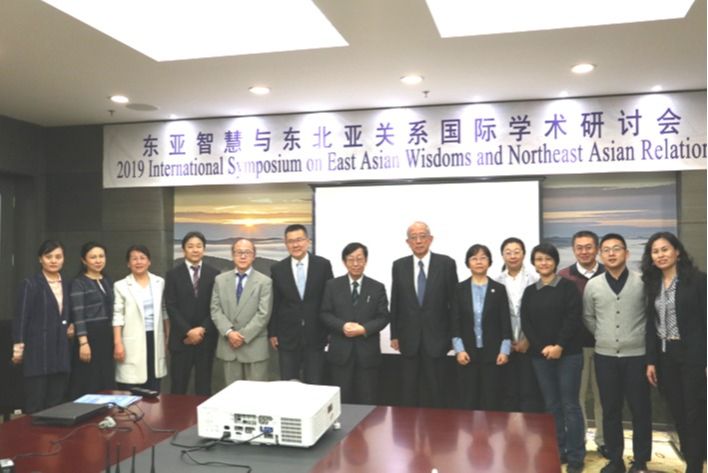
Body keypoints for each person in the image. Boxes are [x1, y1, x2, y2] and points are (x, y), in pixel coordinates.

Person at [583, 233, 651, 473]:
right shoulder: (593, 285)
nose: (611, 253)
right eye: (606, 250)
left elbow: (650, 316)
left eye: (616, 249)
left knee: (640, 410)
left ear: (627, 253)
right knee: (610, 410)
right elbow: (589, 317)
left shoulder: (642, 282)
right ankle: (615, 460)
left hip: (637, 356)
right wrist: (605, 336)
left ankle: (640, 461)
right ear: (600, 254)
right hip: (605, 357)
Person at [642, 232, 706, 473]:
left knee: (694, 412)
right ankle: (691, 457)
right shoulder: (652, 284)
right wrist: (651, 361)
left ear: (677, 252)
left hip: (693, 355)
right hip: (665, 356)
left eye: (665, 249)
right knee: (677, 411)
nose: (660, 255)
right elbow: (651, 325)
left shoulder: (698, 280)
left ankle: (694, 465)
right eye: (655, 251)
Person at [521, 242, 585, 473]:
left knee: (570, 405)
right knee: (551, 406)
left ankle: (576, 455)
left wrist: (558, 346)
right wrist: (543, 348)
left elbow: (573, 319)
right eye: (539, 259)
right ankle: (559, 450)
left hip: (569, 355)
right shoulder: (530, 291)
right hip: (541, 357)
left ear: (555, 262)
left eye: (548, 259)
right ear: (534, 263)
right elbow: (526, 322)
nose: (544, 263)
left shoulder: (568, 287)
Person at [390, 221, 457, 407]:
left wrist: (454, 336)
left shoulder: (446, 264)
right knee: (409, 391)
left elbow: (454, 303)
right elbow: (395, 301)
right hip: (408, 338)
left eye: (422, 236)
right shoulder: (399, 265)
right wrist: (394, 334)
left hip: (438, 338)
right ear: (408, 242)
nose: (418, 241)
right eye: (414, 237)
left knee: (436, 391)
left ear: (430, 239)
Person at [319, 242, 389, 404]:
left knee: (368, 399)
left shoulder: (377, 287)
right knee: (342, 400)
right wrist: (342, 326)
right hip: (340, 353)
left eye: (359, 259)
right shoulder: (332, 285)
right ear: (344, 262)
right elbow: (324, 313)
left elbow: (384, 317)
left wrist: (364, 329)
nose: (355, 263)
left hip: (367, 354)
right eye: (351, 259)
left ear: (366, 261)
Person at [559, 230, 607, 458]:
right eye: (579, 247)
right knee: (575, 398)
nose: (584, 251)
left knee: (603, 396)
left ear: (596, 249)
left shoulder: (609, 272)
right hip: (574, 348)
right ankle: (577, 441)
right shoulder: (564, 276)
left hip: (605, 346)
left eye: (589, 247)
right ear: (573, 249)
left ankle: (604, 441)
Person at [12, 240, 72, 413]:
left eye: (58, 257)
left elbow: (70, 313)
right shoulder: (30, 284)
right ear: (40, 259)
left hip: (60, 351)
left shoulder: (68, 284)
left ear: (63, 259)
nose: (53, 261)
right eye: (49, 256)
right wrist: (18, 347)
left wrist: (72, 325)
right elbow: (21, 317)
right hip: (37, 352)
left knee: (57, 405)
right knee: (35, 405)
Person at [268, 224, 333, 384]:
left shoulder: (323, 265)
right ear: (286, 244)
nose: (295, 245)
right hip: (287, 337)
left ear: (307, 241)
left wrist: (330, 330)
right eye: (291, 241)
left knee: (315, 384)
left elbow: (329, 299)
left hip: (316, 334)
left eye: (299, 240)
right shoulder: (278, 269)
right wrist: (273, 332)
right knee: (289, 384)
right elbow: (275, 302)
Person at [451, 244, 511, 410]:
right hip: (467, 353)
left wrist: (504, 351)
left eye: (483, 258)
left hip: (493, 353)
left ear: (489, 262)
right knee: (468, 399)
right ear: (468, 263)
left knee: (491, 400)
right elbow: (454, 321)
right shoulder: (459, 289)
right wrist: (459, 350)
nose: (479, 262)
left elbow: (505, 322)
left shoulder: (499, 289)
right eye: (474, 258)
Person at [211, 238, 272, 384]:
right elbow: (215, 309)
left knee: (256, 395)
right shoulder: (220, 280)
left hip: (254, 346)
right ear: (232, 255)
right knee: (232, 394)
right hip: (229, 346)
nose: (243, 256)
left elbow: (263, 314)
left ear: (254, 256)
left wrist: (242, 336)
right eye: (239, 252)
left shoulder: (264, 282)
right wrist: (229, 333)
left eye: (247, 252)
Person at [165, 231, 219, 395]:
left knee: (204, 386)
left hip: (206, 339)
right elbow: (171, 306)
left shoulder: (214, 274)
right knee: (178, 386)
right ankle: (177, 414)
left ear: (204, 249)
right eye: (190, 246)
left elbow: (216, 306)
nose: (195, 250)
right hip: (182, 339)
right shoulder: (173, 275)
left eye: (199, 246)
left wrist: (201, 329)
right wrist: (188, 331)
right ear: (183, 250)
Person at [496, 237, 544, 413]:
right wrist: (506, 342)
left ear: (524, 254)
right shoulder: (496, 282)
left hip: (530, 345)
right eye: (508, 252)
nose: (513, 256)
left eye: (517, 252)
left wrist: (528, 340)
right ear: (502, 256)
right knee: (508, 392)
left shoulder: (535, 280)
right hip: (504, 346)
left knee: (530, 391)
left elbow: (540, 316)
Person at [113, 245, 169, 392]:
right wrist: (118, 342)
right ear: (128, 263)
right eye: (134, 259)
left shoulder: (159, 282)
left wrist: (167, 337)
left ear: (149, 261)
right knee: (131, 385)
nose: (139, 262)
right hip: (132, 339)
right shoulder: (120, 285)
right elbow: (117, 315)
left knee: (153, 383)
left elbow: (164, 311)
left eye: (142, 258)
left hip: (154, 338)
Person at [68, 242, 115, 398]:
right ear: (84, 260)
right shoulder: (79, 282)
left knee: (106, 379)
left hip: (106, 335)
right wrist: (83, 342)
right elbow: (78, 313)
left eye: (101, 256)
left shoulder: (107, 280)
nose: (98, 260)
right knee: (89, 380)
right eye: (93, 257)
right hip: (90, 335)